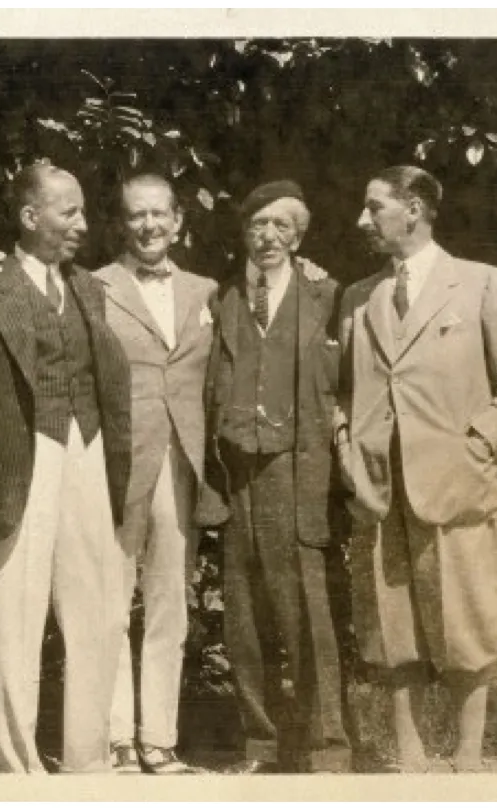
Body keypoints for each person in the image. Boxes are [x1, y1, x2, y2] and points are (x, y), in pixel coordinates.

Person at [335, 165, 497, 772]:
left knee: (468, 614)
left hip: (455, 483)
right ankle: (409, 751)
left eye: (374, 207)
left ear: (415, 209)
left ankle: (469, 753)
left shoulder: (481, 284)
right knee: (389, 618)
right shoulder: (359, 297)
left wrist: (479, 441)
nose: (362, 221)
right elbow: (343, 395)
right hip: (380, 487)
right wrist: (348, 448)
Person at [0, 162, 132, 773]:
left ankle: (86, 764)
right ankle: (20, 772)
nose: (82, 224)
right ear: (29, 217)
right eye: (69, 211)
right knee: (15, 617)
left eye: (82, 211)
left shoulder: (90, 289)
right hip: (19, 462)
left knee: (96, 607)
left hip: (87, 453)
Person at [198, 180, 351, 774]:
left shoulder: (328, 296)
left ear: (300, 236)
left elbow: (350, 383)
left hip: (299, 468)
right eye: (257, 226)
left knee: (308, 612)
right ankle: (260, 745)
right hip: (238, 470)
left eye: (281, 226)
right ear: (243, 235)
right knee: (244, 615)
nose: (268, 237)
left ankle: (327, 747)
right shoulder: (223, 299)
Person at [93, 174, 217, 775]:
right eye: (136, 215)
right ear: (122, 223)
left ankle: (158, 738)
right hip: (114, 463)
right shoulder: (93, 288)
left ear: (178, 220)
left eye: (158, 214)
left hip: (181, 463)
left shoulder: (208, 291)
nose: (148, 226)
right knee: (112, 602)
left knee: (171, 599)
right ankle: (115, 736)